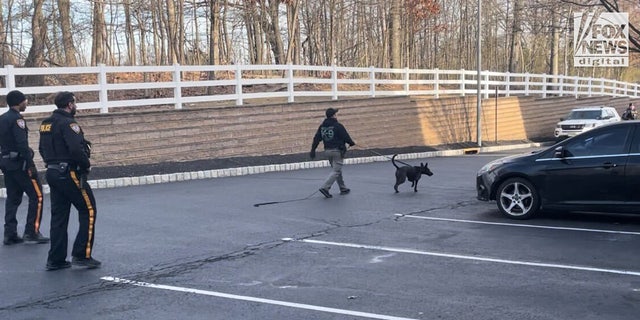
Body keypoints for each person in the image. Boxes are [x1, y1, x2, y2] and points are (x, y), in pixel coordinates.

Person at [39, 91, 100, 270]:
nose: (76, 106)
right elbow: (75, 149)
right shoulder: (69, 123)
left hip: (52, 172)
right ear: (69, 104)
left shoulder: (46, 124)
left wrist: (52, 162)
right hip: (69, 173)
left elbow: (41, 148)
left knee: (59, 216)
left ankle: (56, 259)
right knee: (88, 209)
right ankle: (82, 255)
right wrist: (86, 165)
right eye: (75, 103)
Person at [0, 90, 49, 245]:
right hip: (21, 164)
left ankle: (10, 233)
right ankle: (32, 231)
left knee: (13, 198)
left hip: (7, 164)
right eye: (25, 100)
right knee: (38, 195)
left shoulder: (2, 119)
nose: (26, 103)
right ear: (18, 102)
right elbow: (22, 144)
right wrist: (30, 164)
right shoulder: (17, 120)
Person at [309, 108, 355, 198]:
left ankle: (343, 188)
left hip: (327, 151)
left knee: (337, 170)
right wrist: (351, 143)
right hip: (337, 151)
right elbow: (345, 137)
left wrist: (313, 150)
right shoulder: (338, 126)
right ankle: (325, 188)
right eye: (335, 114)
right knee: (336, 170)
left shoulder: (322, 127)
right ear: (333, 115)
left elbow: (316, 139)